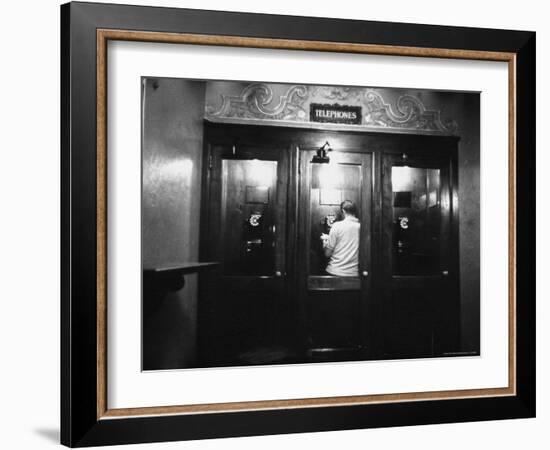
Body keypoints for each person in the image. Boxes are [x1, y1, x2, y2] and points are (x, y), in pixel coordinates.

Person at [320, 200, 360, 277]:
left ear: (343, 211)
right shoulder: (360, 227)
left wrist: (324, 243)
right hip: (354, 274)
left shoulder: (337, 226)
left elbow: (327, 254)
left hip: (335, 271)